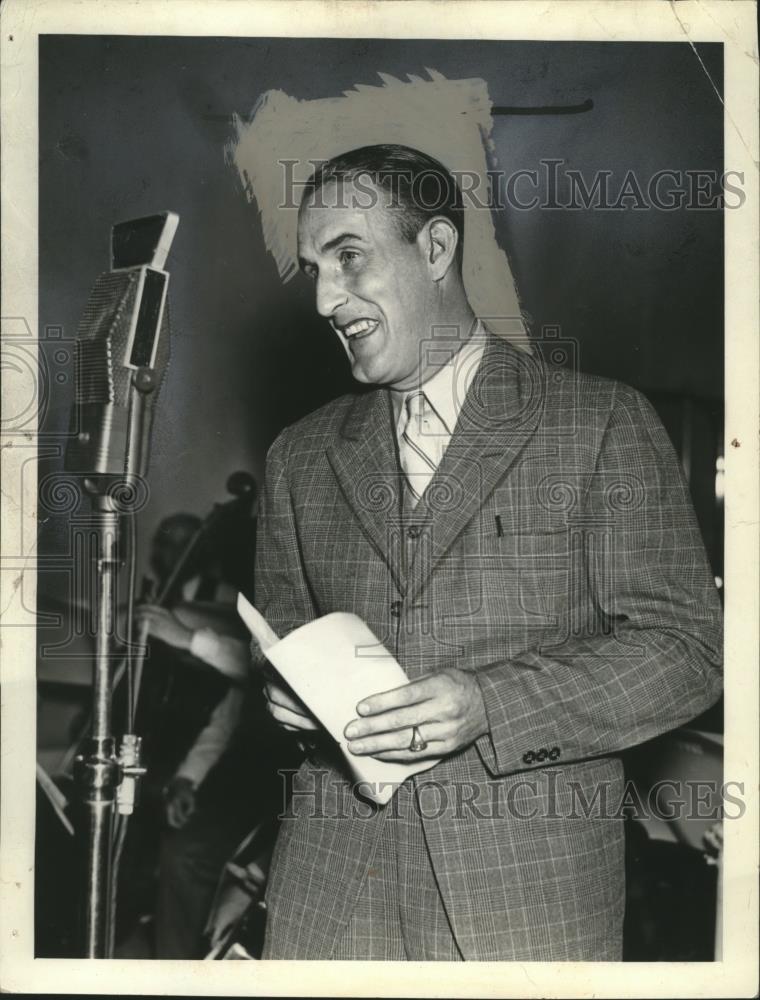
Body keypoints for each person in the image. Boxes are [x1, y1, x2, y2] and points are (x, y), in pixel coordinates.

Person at [253, 144, 723, 961]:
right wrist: (287, 699)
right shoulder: (298, 455)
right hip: (329, 891)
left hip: (524, 898)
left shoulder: (600, 423)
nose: (327, 298)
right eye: (313, 270)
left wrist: (491, 705)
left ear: (435, 249)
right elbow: (286, 641)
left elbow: (688, 651)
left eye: (349, 258)